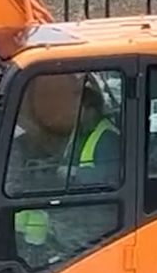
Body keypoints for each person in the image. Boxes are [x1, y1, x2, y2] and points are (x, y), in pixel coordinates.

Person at [7, 72, 122, 261]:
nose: (74, 114)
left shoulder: (107, 138)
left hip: (96, 211)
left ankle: (38, 259)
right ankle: (26, 255)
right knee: (25, 213)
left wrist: (74, 174)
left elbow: (110, 178)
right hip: (78, 199)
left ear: (91, 109)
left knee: (40, 219)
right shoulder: (81, 133)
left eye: (79, 109)